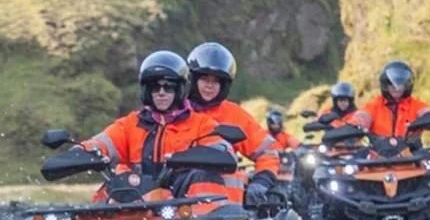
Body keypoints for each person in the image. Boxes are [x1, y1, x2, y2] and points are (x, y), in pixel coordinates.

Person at [78, 51, 244, 203]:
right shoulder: (129, 124)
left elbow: (223, 152)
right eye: (155, 87)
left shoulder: (201, 124)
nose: (161, 92)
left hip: (184, 208)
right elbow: (100, 143)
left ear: (180, 89)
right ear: (147, 91)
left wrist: (184, 158)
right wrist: (77, 155)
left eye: (168, 87)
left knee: (203, 177)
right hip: (138, 201)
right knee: (112, 184)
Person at [185, 42, 281, 205]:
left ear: (224, 85)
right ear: (193, 79)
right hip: (177, 204)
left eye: (216, 81)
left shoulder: (234, 114)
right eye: (204, 78)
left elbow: (267, 151)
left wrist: (261, 180)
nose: (209, 85)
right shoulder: (177, 112)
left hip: (226, 208)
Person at [348, 61, 430, 138]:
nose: (396, 88)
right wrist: (354, 126)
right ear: (385, 85)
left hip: (411, 147)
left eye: (401, 84)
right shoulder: (375, 105)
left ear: (407, 85)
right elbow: (362, 117)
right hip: (379, 148)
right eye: (391, 84)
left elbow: (426, 113)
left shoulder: (416, 105)